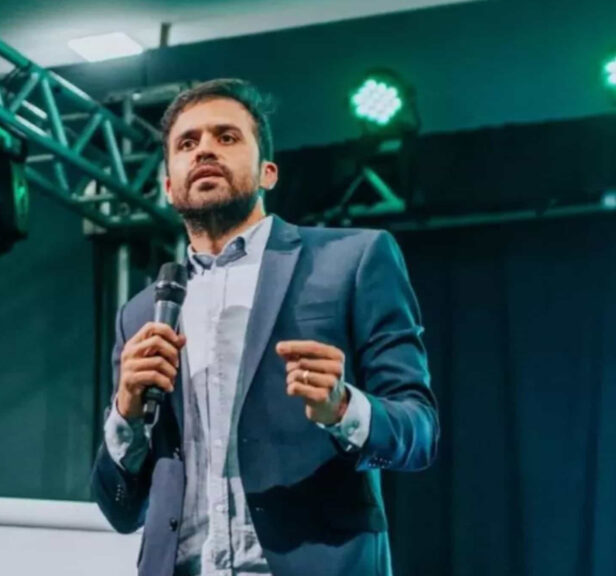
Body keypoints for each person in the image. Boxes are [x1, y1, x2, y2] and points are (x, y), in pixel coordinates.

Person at [91, 78, 439, 576]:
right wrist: (125, 415)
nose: (204, 149)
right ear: (168, 186)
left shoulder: (352, 260)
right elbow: (120, 509)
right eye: (187, 143)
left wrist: (343, 407)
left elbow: (419, 432)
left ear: (267, 173)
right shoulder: (141, 313)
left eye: (226, 136)